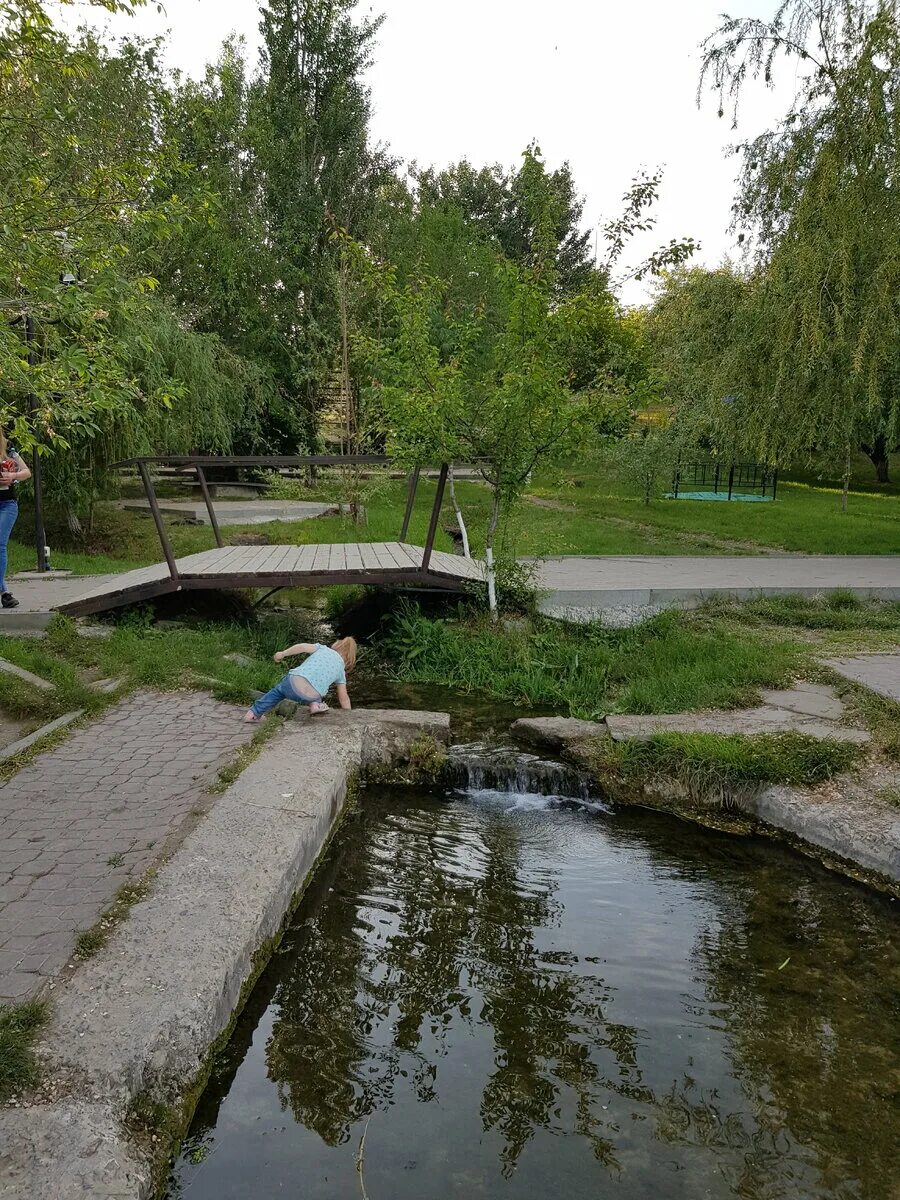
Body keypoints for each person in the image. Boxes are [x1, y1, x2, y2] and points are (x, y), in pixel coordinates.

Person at [244, 636, 357, 723]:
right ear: (349, 659)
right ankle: (315, 705)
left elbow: (302, 647)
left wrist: (283, 653)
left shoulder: (322, 648)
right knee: (317, 690)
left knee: (277, 692)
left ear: (336, 645)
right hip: (310, 696)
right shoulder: (341, 671)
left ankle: (253, 714)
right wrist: (348, 715)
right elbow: (344, 697)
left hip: (292, 684)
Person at [0, 433, 31, 610]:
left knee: (0, 544)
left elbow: (27, 472)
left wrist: (13, 477)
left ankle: (4, 594)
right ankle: (5, 595)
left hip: (7, 504)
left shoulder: (8, 447)